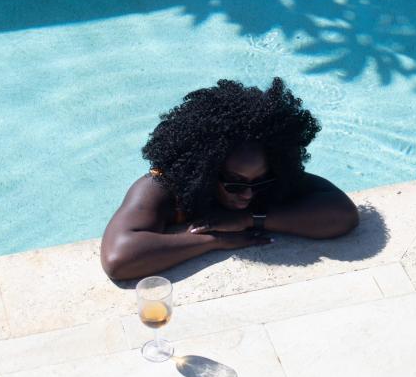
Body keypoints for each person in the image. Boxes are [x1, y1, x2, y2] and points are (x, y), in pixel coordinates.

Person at [100, 78, 359, 280]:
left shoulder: (272, 177)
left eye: (259, 183)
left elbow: (342, 215)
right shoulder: (162, 187)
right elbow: (119, 258)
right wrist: (214, 240)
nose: (248, 194)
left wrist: (249, 219)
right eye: (235, 184)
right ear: (205, 171)